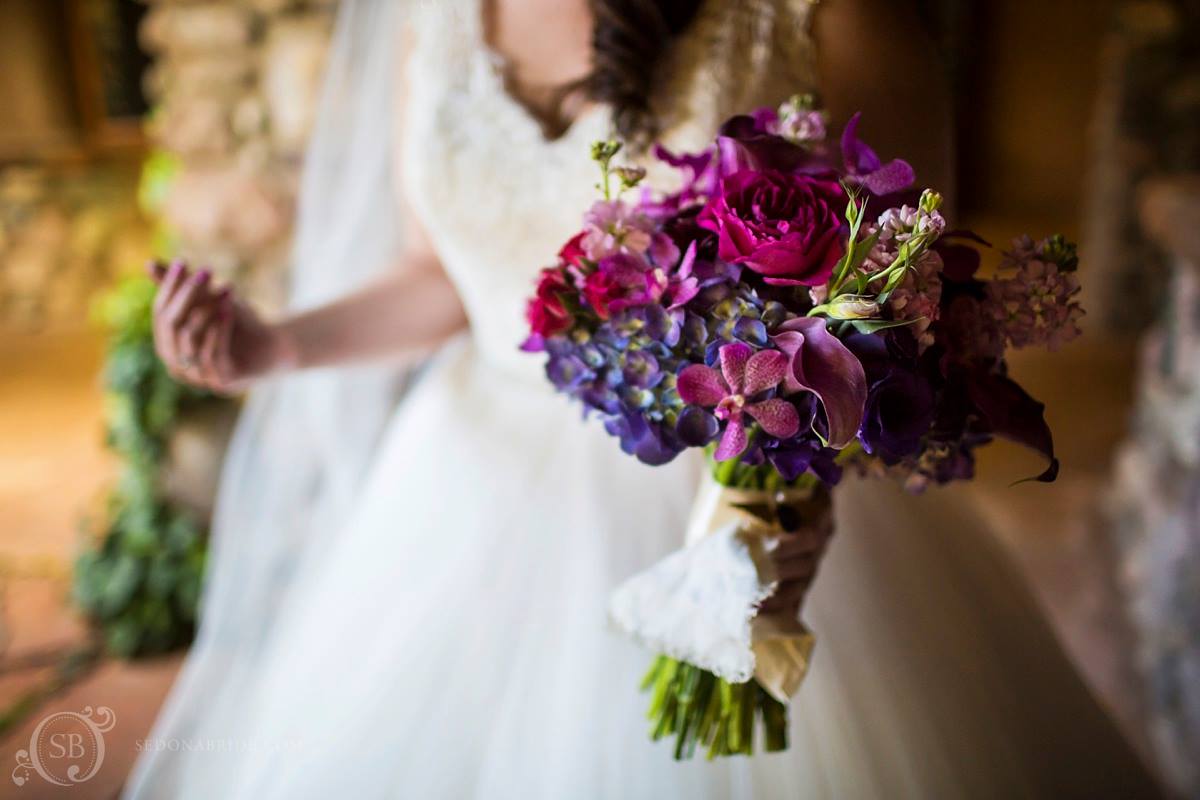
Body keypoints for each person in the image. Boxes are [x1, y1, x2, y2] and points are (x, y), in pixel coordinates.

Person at [125, 0, 1160, 797]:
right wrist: (276, 342)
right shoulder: (433, 19)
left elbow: (900, 307)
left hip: (734, 483)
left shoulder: (821, 17)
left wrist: (786, 507)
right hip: (468, 490)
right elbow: (442, 271)